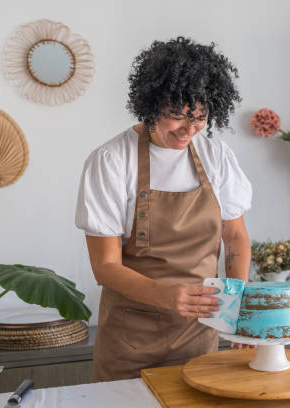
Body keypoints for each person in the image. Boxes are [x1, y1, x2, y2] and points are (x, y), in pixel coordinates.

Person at [75, 37, 252, 382]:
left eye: (200, 119)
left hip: (199, 337)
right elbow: (105, 266)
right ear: (151, 105)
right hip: (129, 343)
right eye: (177, 117)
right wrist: (168, 296)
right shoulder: (112, 161)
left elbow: (234, 237)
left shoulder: (216, 157)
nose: (189, 130)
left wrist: (236, 302)